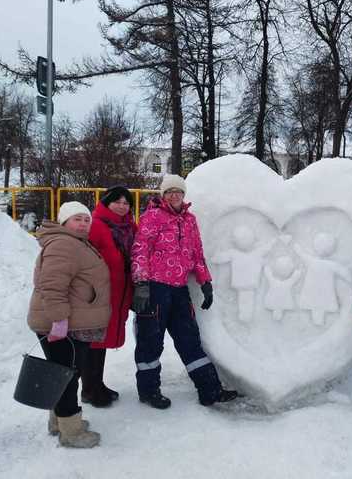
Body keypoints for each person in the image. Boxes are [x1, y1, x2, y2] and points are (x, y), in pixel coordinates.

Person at [131, 174, 238, 408]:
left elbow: (196, 254)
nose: (174, 195)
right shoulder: (152, 217)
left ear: (183, 195)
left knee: (189, 339)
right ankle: (149, 391)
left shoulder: (190, 220)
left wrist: (205, 282)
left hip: (179, 290)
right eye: (169, 192)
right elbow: (140, 250)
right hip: (155, 289)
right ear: (163, 195)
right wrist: (141, 284)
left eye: (178, 192)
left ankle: (209, 390)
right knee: (151, 341)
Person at [27, 201, 111, 449]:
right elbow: (52, 285)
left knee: (60, 374)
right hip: (63, 324)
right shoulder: (64, 244)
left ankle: (59, 422)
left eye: (86, 219)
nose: (83, 223)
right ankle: (71, 432)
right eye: (77, 219)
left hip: (71, 322)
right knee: (67, 376)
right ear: (64, 222)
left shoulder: (74, 243)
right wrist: (59, 320)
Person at [81, 186, 137, 408]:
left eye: (126, 203)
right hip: (99, 294)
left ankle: (98, 384)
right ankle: (89, 390)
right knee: (93, 341)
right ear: (107, 202)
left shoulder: (130, 227)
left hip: (119, 293)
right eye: (118, 202)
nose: (122, 206)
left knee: (101, 342)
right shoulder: (96, 226)